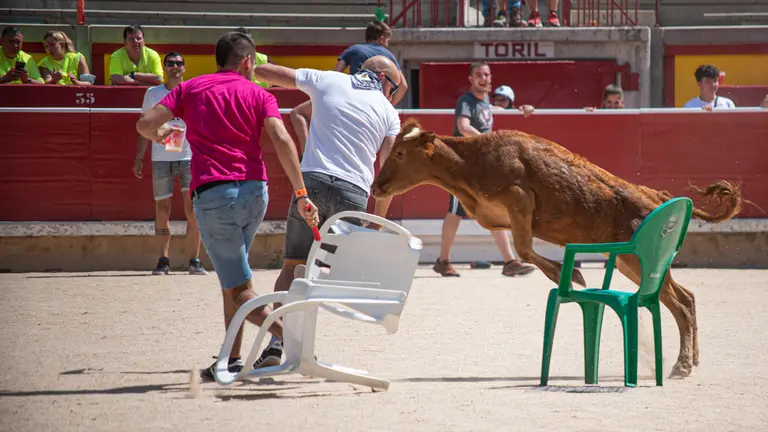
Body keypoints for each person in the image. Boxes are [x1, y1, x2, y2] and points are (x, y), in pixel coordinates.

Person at [136, 31, 319, 381]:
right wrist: (299, 192)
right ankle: (231, 358)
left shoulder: (191, 88)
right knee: (234, 278)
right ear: (248, 61)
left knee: (237, 287)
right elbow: (281, 139)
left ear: (218, 59)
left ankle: (292, 340)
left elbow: (144, 124)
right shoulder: (258, 93)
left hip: (214, 194)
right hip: (255, 193)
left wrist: (165, 138)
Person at [249, 55, 401, 368]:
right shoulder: (389, 112)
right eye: (394, 88)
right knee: (320, 273)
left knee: (292, 267)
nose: (392, 94)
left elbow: (265, 72)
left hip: (313, 181)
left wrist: (249, 66)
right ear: (384, 79)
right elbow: (387, 175)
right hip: (353, 193)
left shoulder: (329, 79)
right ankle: (302, 345)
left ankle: (279, 342)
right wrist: (377, 224)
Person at [432, 62, 535, 278]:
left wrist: (520, 109)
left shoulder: (484, 101)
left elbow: (488, 111)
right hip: (463, 165)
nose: (483, 78)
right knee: (456, 211)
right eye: (479, 74)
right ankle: (443, 260)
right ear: (470, 78)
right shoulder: (466, 101)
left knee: (490, 208)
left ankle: (509, 260)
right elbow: (463, 126)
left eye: (486, 74)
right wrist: (488, 140)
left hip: (479, 165)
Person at [133, 52, 207, 276]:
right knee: (162, 209)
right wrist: (139, 156)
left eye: (178, 64)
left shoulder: (193, 90)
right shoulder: (153, 93)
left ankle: (194, 260)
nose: (174, 67)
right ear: (164, 67)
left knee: (192, 210)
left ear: (184, 67)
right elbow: (143, 125)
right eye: (170, 64)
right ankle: (163, 260)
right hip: (161, 157)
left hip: (188, 157)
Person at [289, 20, 408, 153]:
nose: (387, 43)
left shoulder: (354, 49)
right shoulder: (389, 58)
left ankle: (307, 152)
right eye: (387, 40)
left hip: (346, 96)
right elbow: (403, 85)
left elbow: (336, 73)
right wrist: (385, 106)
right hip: (373, 105)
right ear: (381, 39)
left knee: (297, 113)